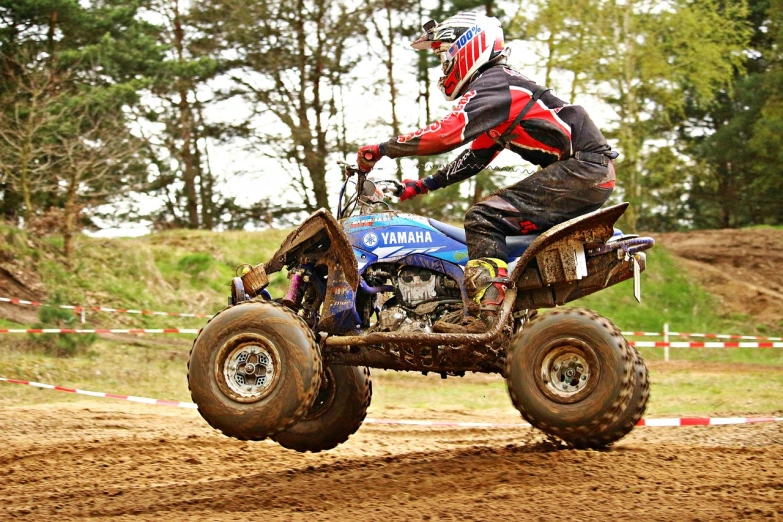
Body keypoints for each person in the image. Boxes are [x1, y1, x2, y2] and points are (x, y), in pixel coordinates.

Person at [356, 12, 618, 334]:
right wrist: (420, 186)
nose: (443, 64)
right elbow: (473, 158)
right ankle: (511, 315)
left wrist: (382, 148)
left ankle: (486, 316)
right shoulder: (502, 93)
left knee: (483, 218)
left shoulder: (496, 84)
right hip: (586, 172)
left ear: (466, 47)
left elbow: (445, 134)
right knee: (499, 226)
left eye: (444, 54)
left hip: (583, 169)